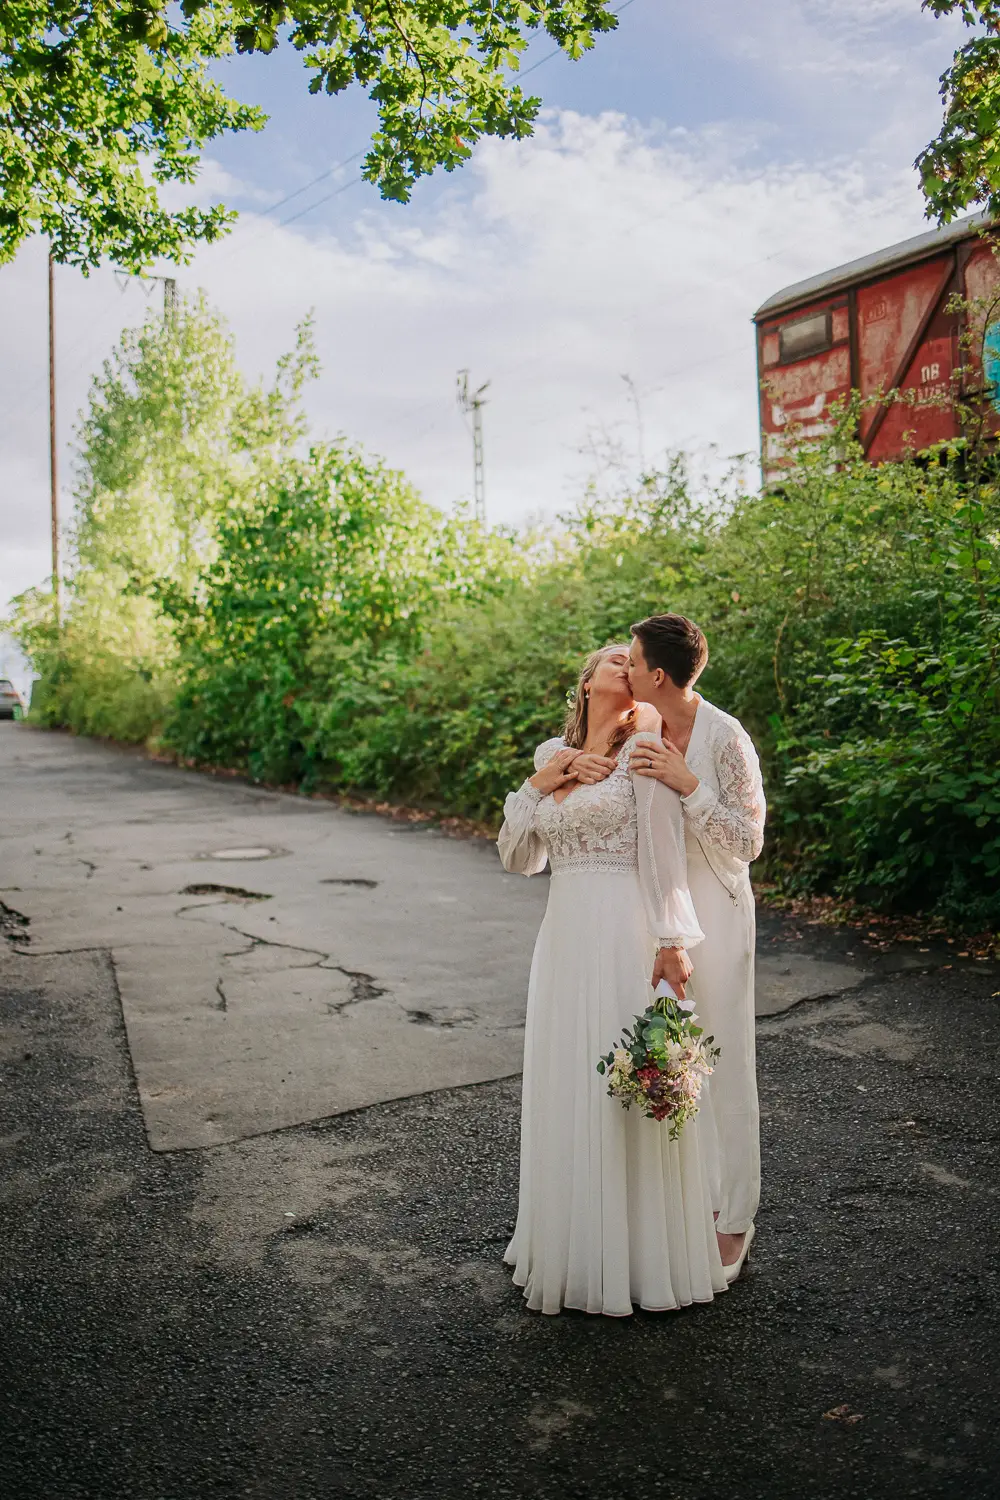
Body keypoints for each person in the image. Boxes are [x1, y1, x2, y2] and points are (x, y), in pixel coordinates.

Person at [497, 643, 730, 1316]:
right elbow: (518, 857)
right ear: (588, 681)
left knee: (617, 1089)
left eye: (634, 660)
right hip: (564, 941)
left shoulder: (644, 750)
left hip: (622, 935)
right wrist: (548, 780)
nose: (626, 665)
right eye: (613, 658)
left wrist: (670, 939)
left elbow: (662, 848)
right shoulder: (550, 756)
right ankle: (571, 1247)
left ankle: (638, 1258)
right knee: (567, 1079)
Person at [627, 613, 765, 1280]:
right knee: (666, 1059)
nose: (623, 670)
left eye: (630, 661)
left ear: (658, 674)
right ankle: (680, 1206)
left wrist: (690, 784)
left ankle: (734, 1216)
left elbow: (747, 841)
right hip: (654, 918)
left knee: (724, 1060)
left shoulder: (726, 738)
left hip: (718, 906)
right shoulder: (640, 726)